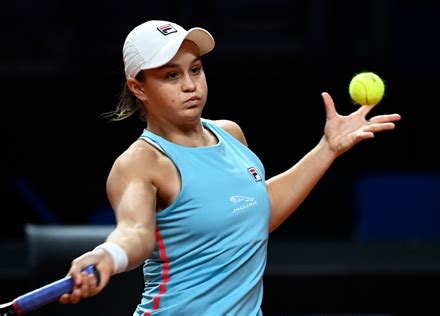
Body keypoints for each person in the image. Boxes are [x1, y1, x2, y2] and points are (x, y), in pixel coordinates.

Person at [58, 19, 401, 315]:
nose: (190, 85)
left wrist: (327, 149)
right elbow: (136, 233)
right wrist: (109, 254)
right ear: (138, 88)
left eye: (195, 69)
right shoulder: (139, 163)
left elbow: (254, 214)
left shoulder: (231, 134)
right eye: (171, 75)